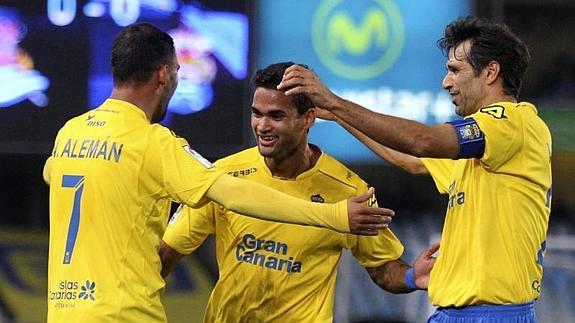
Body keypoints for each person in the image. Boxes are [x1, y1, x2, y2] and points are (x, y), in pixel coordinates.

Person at [42, 24, 394, 323]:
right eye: (179, 70)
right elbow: (231, 191)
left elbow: (51, 172)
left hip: (61, 312)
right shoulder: (153, 143)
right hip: (124, 312)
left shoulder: (70, 134)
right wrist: (332, 214)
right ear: (164, 74)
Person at [278, 16, 552, 322]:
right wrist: (339, 115)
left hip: (493, 315)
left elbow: (422, 141)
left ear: (490, 72)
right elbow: (408, 158)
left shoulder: (513, 123)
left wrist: (334, 100)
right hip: (454, 313)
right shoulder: (485, 150)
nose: (445, 82)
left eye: (454, 70)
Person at [159, 62, 439, 323]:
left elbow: (383, 268)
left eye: (276, 116)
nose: (263, 126)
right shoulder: (223, 176)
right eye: (257, 114)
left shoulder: (348, 189)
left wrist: (414, 276)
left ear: (308, 119)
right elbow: (168, 253)